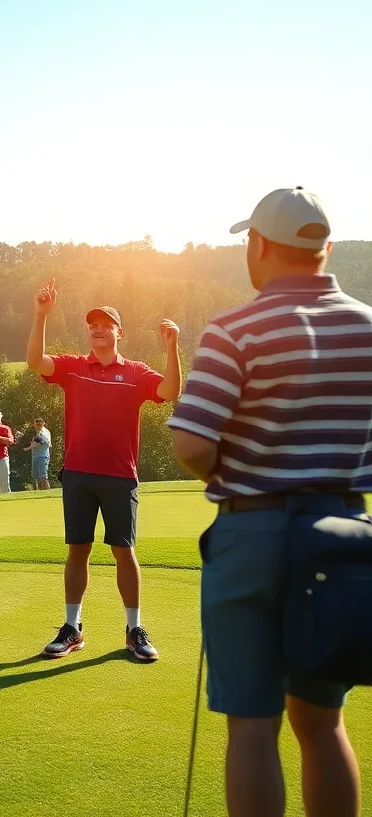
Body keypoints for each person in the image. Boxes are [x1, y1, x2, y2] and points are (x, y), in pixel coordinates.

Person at [169, 188, 369, 817]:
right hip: (342, 536)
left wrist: (228, 473)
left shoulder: (235, 328)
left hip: (252, 535)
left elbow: (191, 443)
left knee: (253, 726)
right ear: (325, 247)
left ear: (257, 245)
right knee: (323, 722)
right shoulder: (368, 326)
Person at [27, 280, 180, 663]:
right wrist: (41, 315)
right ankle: (72, 628)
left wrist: (173, 348)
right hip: (78, 473)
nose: (98, 329)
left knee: (123, 551)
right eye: (92, 325)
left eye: (106, 324)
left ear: (118, 332)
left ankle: (134, 629)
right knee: (78, 550)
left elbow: (170, 392)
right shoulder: (74, 368)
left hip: (119, 476)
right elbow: (35, 362)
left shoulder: (136, 372)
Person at [23, 417, 52, 490]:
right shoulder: (38, 432)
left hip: (42, 456)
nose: (38, 426)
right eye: (36, 424)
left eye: (39, 424)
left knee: (43, 476)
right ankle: (40, 492)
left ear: (43, 423)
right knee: (37, 477)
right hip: (36, 456)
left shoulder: (44, 432)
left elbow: (41, 443)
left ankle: (47, 492)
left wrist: (29, 448)